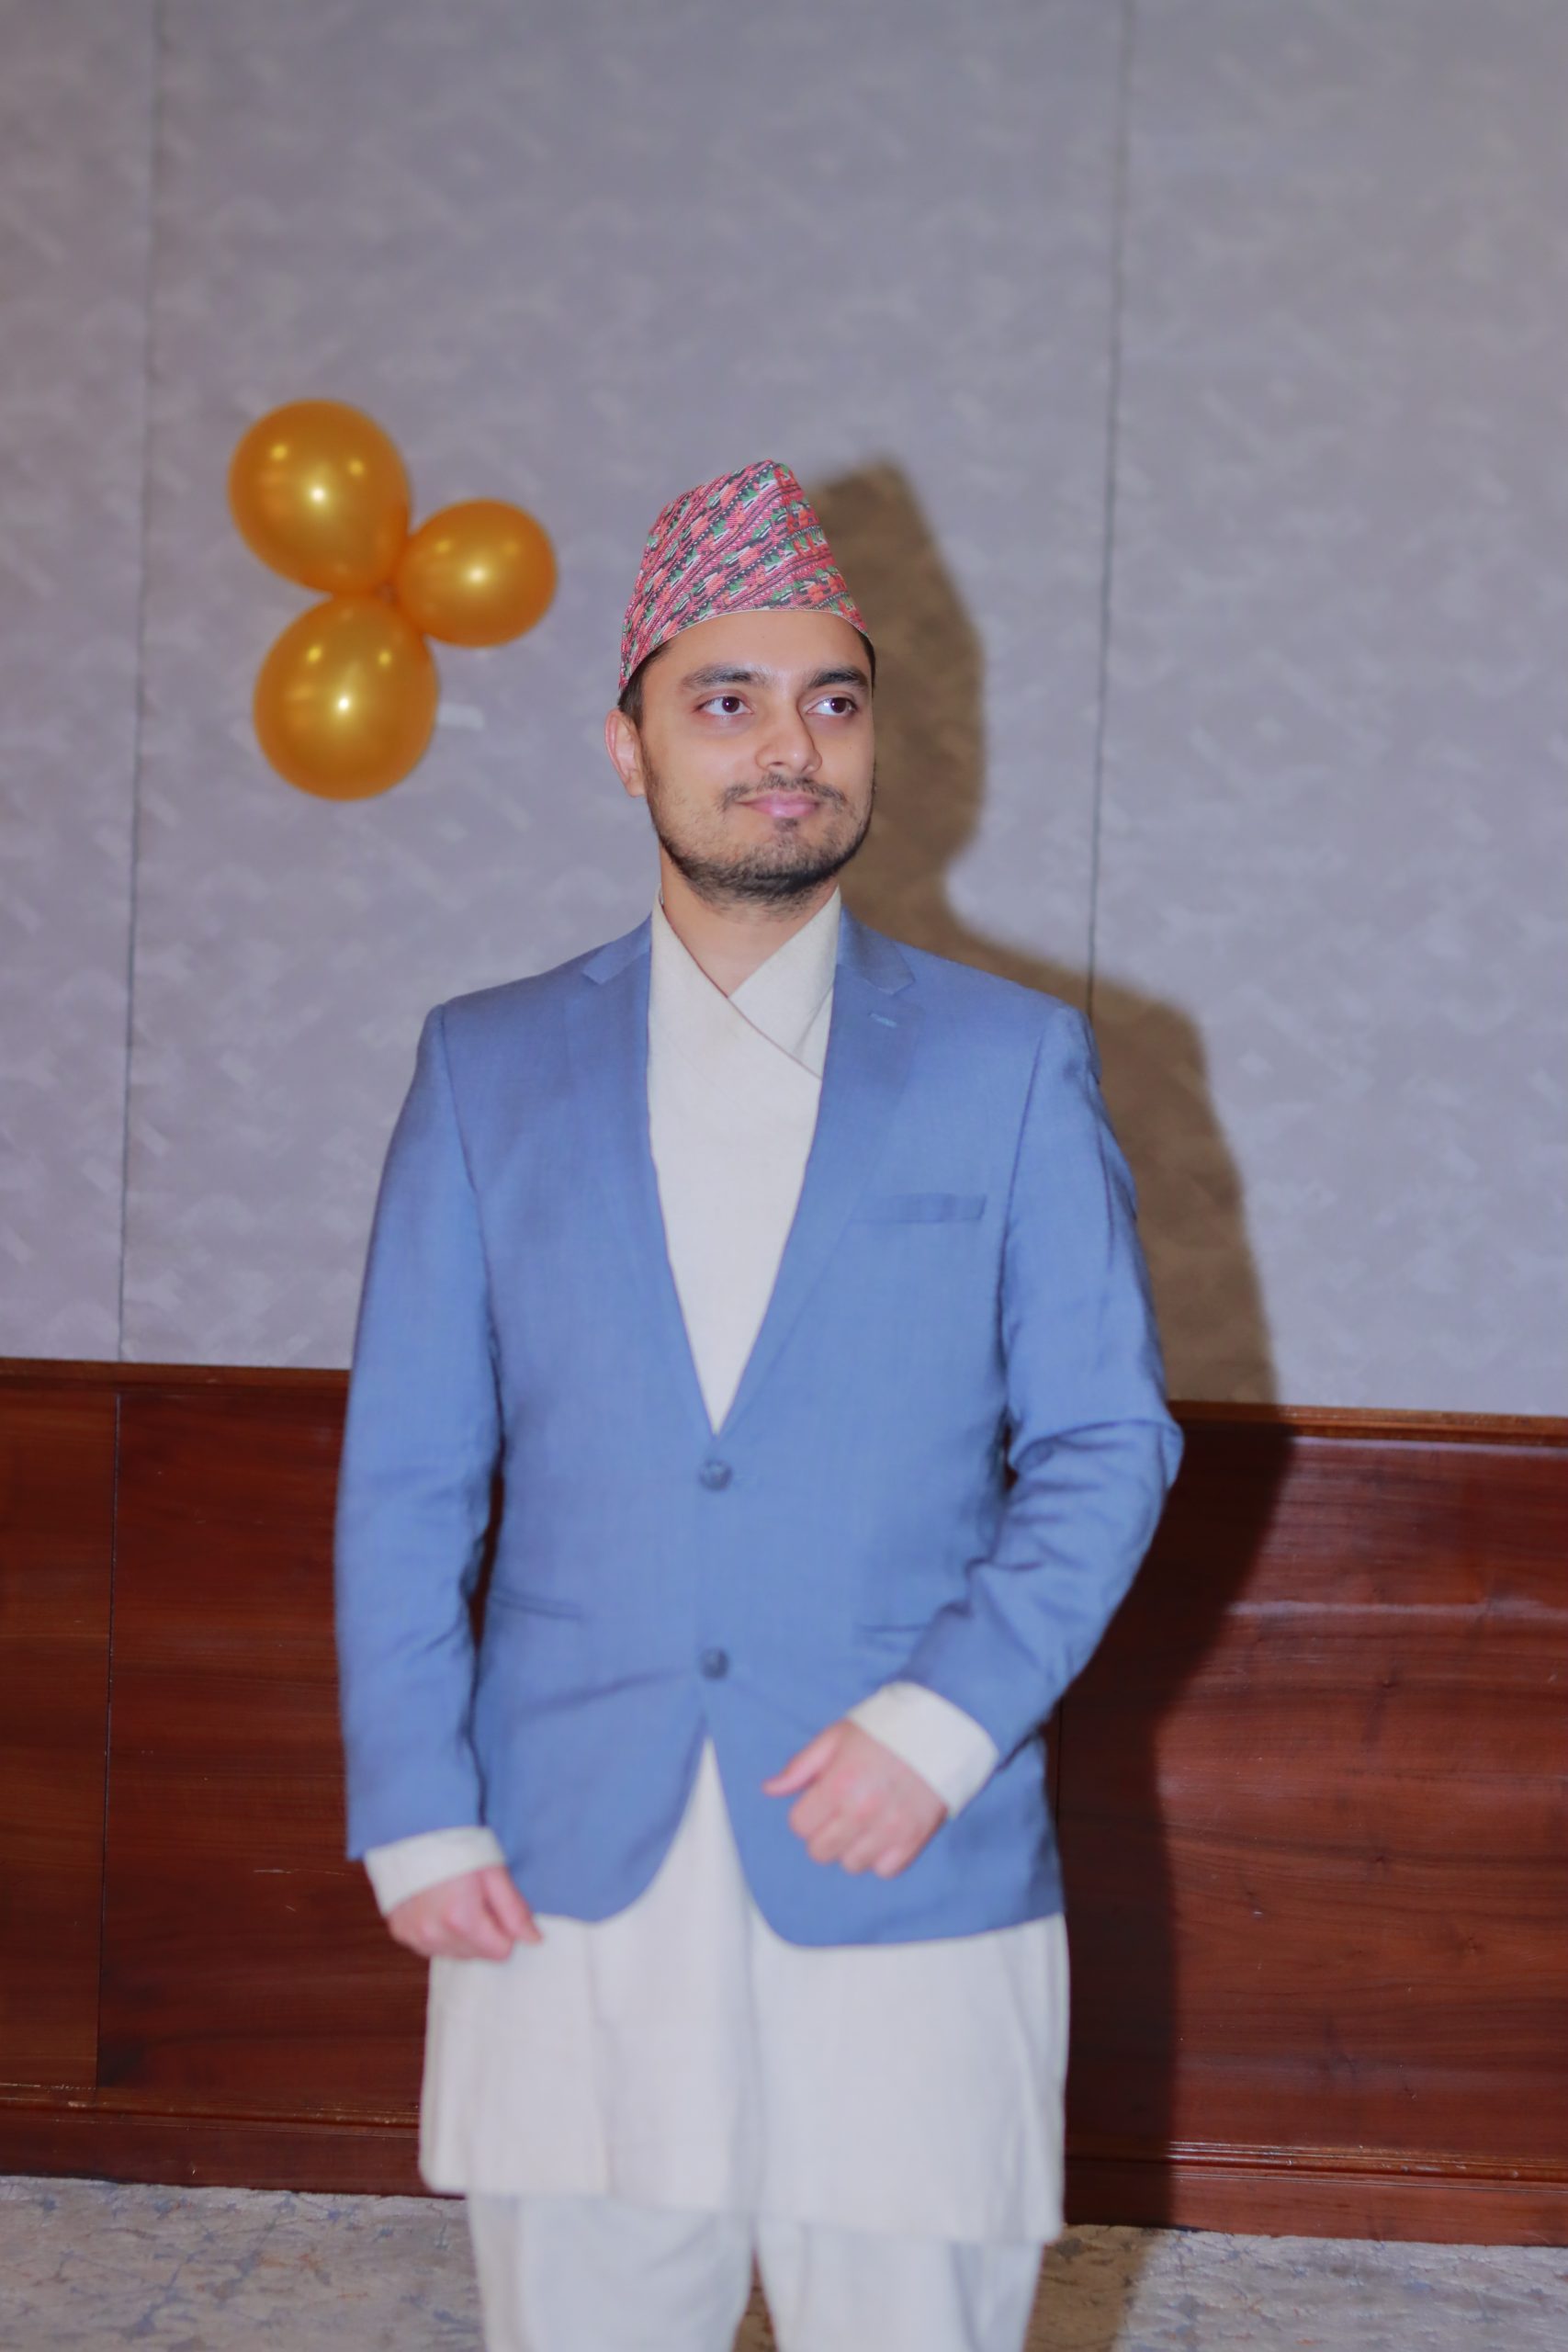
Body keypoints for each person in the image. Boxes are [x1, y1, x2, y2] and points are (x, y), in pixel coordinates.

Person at [333, 457, 1183, 2352]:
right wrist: (416, 1805)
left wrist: (942, 1723)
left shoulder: (1009, 1065)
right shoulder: (485, 1068)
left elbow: (1106, 1441)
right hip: (564, 1843)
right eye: (724, 699)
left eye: (830, 699)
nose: (787, 745)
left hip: (904, 1833)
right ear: (626, 745)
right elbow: (407, 1474)